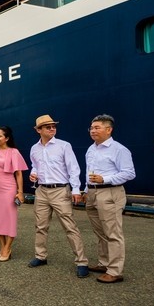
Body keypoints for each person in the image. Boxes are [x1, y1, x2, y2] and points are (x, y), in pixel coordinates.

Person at [28, 115, 89, 278]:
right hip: (41, 190)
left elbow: (73, 168)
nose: (52, 129)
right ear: (38, 130)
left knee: (70, 226)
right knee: (40, 226)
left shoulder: (64, 146)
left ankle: (82, 261)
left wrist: (76, 189)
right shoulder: (34, 148)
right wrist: (33, 173)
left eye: (54, 126)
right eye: (48, 127)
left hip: (60, 190)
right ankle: (40, 256)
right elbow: (35, 165)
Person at [84, 114, 136, 284]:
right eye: (91, 128)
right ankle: (104, 263)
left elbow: (129, 173)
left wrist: (105, 179)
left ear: (109, 130)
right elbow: (89, 171)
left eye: (97, 127)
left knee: (113, 233)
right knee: (100, 232)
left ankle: (115, 271)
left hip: (110, 193)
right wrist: (86, 190)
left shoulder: (119, 149)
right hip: (92, 193)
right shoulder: (91, 149)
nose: (93, 131)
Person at [0, 126, 28, 262]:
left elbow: (19, 173)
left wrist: (20, 192)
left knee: (10, 218)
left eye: (0, 136)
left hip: (9, 188)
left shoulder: (13, 152)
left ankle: (7, 248)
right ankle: (2, 247)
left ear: (7, 138)